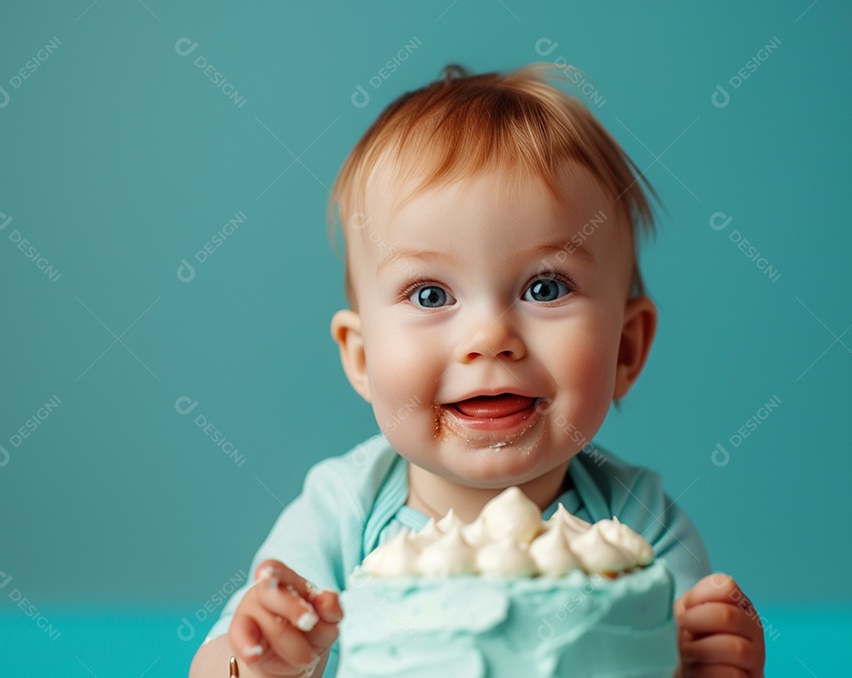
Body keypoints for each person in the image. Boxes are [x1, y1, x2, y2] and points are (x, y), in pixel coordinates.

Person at [189, 63, 765, 678]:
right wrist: (259, 658)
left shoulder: (640, 527)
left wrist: (710, 657)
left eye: (545, 287)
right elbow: (220, 660)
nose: (490, 338)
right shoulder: (341, 514)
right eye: (431, 295)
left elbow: (677, 655)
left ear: (625, 348)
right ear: (361, 358)